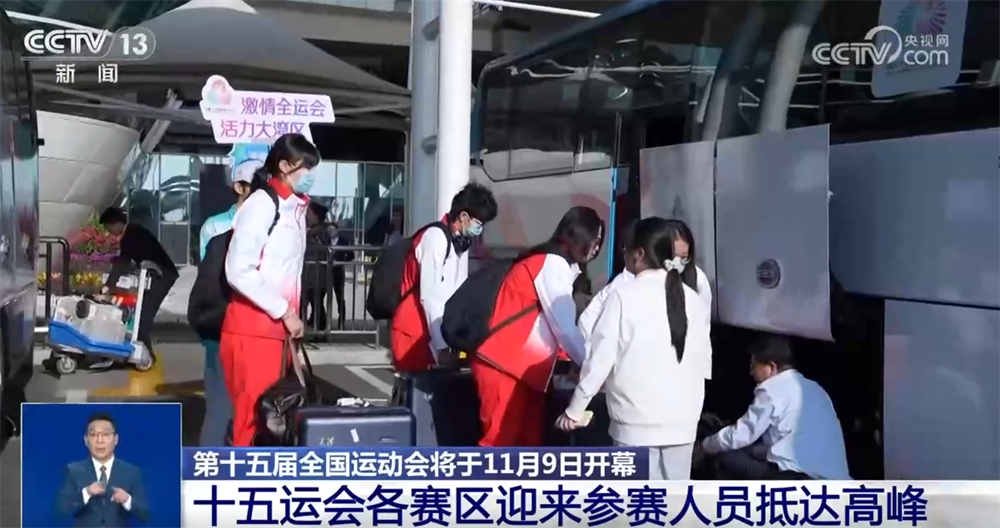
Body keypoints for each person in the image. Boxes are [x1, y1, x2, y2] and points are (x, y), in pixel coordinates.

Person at [556, 217, 713, 479]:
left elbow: (599, 361)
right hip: (683, 423)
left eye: (626, 248)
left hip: (635, 423)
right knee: (675, 498)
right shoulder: (692, 297)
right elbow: (703, 359)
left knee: (636, 498)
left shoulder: (623, 296)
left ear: (639, 253)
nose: (624, 253)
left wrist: (575, 410)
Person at [473, 206, 604, 447]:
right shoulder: (552, 264)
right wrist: (591, 368)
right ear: (577, 235)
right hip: (505, 366)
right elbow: (564, 329)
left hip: (523, 372)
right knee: (499, 445)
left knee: (527, 446)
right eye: (594, 239)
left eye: (599, 242)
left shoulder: (550, 263)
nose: (596, 248)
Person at [220, 133, 320, 447]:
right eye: (306, 167)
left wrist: (290, 320)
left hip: (278, 332)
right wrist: (285, 311)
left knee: (274, 422)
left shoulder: (295, 209)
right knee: (252, 422)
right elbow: (239, 269)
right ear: (285, 166)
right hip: (253, 331)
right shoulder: (262, 204)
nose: (311, 175)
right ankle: (240, 477)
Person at [699, 336, 851, 480]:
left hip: (793, 478)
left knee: (724, 455)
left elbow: (741, 435)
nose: (751, 372)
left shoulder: (772, 389)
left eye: (753, 365)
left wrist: (703, 446)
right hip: (835, 481)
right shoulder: (816, 389)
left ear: (771, 367)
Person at [390, 182, 498, 372]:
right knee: (418, 389)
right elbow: (429, 298)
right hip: (415, 334)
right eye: (479, 223)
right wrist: (441, 346)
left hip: (431, 333)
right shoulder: (435, 238)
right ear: (463, 216)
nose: (480, 230)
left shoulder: (456, 243)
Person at [195, 165, 255, 446]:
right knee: (220, 403)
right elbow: (210, 278)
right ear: (239, 187)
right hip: (221, 322)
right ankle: (209, 464)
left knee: (251, 404)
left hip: (255, 327)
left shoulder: (270, 224)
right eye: (256, 187)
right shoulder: (215, 226)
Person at [98, 206, 180, 369]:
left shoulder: (131, 235)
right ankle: (138, 352)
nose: (108, 232)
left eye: (108, 227)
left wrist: (107, 287)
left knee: (142, 318)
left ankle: (146, 356)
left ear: (116, 223)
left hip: (161, 277)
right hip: (156, 276)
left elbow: (122, 262)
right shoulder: (133, 232)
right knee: (139, 315)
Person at [56, 413, 149, 528]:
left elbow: (145, 515)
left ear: (116, 439)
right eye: (93, 435)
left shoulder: (131, 472)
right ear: (86, 440)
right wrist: (86, 493)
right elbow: (61, 508)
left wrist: (127, 500)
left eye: (105, 434)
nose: (100, 440)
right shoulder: (73, 471)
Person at [303, 201, 333, 331]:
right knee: (316, 303)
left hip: (317, 275)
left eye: (309, 213)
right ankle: (317, 327)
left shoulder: (317, 232)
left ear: (316, 215)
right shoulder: (317, 230)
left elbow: (322, 250)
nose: (306, 215)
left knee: (316, 302)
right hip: (314, 275)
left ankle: (319, 329)